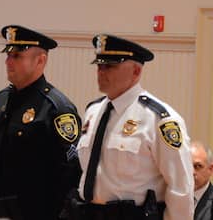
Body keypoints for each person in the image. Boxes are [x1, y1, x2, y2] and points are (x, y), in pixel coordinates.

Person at [76, 34, 193, 220]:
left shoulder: (159, 119)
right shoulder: (93, 111)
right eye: (99, 65)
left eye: (110, 66)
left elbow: (180, 187)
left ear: (136, 72)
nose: (101, 72)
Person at [0, 25, 81, 220]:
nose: (8, 61)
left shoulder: (57, 109)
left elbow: (70, 177)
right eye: (8, 55)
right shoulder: (0, 100)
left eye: (17, 56)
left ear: (40, 60)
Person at [192, 141, 213, 220]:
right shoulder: (172, 197)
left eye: (198, 166)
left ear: (210, 169)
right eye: (187, 166)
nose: (191, 172)